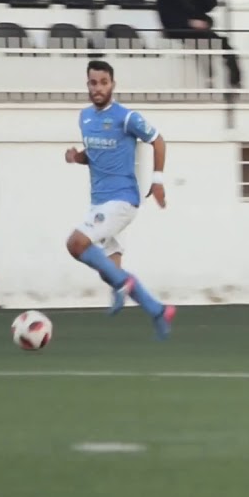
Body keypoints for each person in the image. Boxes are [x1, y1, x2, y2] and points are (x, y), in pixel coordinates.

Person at [63, 60, 176, 339]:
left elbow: (158, 141)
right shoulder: (85, 118)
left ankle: (124, 285)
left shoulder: (126, 117)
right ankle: (158, 311)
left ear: (113, 84)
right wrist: (77, 157)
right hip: (99, 203)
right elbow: (94, 154)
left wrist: (158, 181)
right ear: (87, 84)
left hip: (122, 201)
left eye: (103, 82)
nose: (98, 88)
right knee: (109, 271)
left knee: (76, 244)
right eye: (93, 82)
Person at [156, 0, 241, 89]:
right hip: (178, 28)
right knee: (203, 42)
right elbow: (165, 14)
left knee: (224, 44)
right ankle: (209, 78)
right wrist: (188, 23)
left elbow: (212, 4)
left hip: (201, 26)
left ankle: (235, 80)